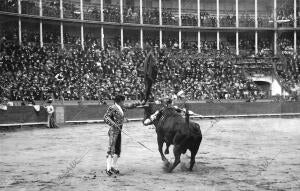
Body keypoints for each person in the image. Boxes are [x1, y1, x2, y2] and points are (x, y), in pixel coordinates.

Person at [103, 94, 140, 176]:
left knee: (117, 150)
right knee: (111, 149)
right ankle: (108, 168)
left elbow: (128, 107)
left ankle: (113, 167)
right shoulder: (112, 107)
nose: (124, 103)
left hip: (119, 131)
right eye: (123, 101)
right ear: (120, 101)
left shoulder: (120, 107)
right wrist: (114, 124)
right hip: (113, 131)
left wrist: (124, 120)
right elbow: (106, 117)